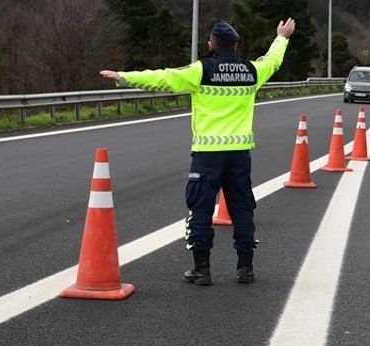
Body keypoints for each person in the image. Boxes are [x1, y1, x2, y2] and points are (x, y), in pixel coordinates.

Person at [100, 18, 295, 285]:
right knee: (242, 209)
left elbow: (164, 77)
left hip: (208, 153)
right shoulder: (251, 71)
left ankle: (202, 269)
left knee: (200, 209)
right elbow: (272, 61)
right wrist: (281, 37)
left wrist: (124, 77)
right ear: (236, 46)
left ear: (211, 44)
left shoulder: (201, 69)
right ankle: (245, 268)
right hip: (239, 153)